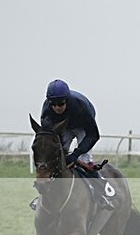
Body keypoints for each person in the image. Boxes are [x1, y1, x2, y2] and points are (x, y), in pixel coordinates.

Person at [39, 79, 114, 210]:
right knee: (56, 159)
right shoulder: (46, 111)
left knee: (83, 160)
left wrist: (75, 154)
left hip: (83, 126)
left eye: (61, 103)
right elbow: (48, 137)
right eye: (53, 104)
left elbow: (93, 135)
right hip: (63, 127)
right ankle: (47, 197)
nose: (57, 107)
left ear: (66, 100)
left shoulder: (81, 106)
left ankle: (101, 192)